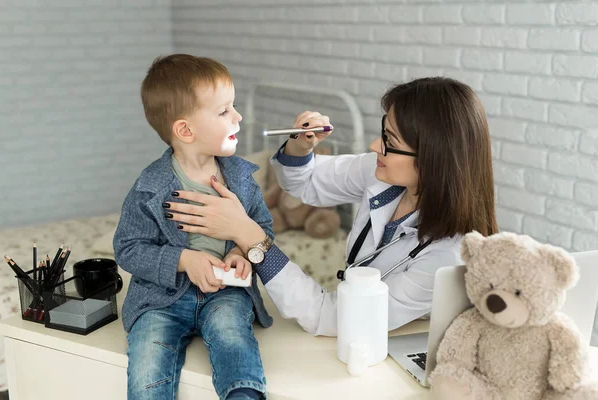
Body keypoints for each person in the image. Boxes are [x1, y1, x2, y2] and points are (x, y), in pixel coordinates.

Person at [165, 77, 498, 337]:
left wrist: (252, 239)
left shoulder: (447, 258)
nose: (373, 145)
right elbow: (305, 184)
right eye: (383, 132)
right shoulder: (382, 173)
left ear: (432, 160)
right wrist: (299, 146)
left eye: (389, 142)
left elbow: (336, 317)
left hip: (389, 352)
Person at [113, 54, 273, 400]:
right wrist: (184, 260)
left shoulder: (242, 180)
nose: (238, 117)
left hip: (226, 294)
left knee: (234, 338)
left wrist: (238, 252)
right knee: (147, 361)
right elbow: (128, 248)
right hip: (160, 301)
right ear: (185, 130)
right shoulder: (148, 187)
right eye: (224, 111)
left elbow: (262, 228)